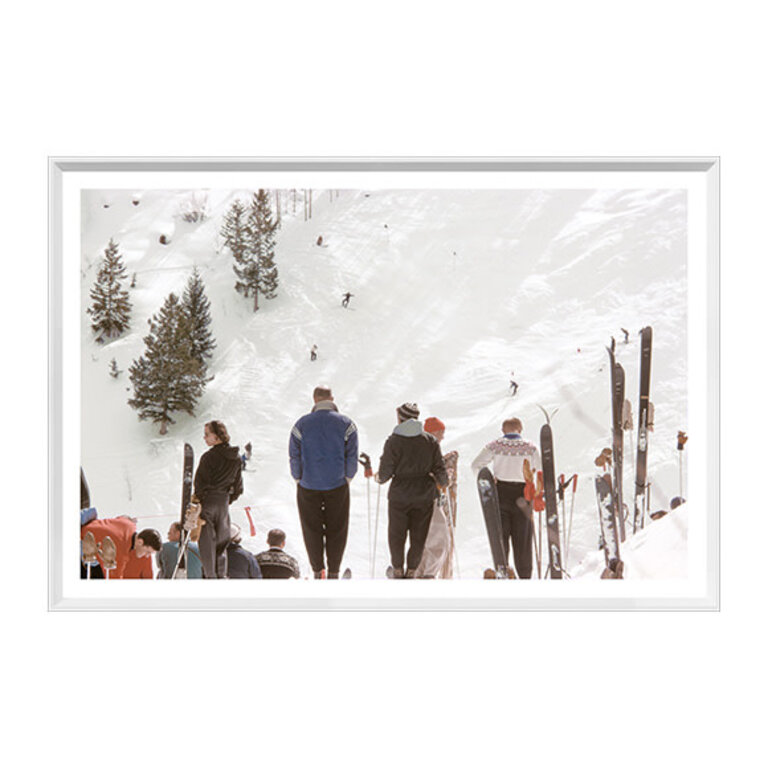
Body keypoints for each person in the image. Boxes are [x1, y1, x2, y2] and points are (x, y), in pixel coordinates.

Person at [289, 386, 358, 578]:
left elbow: (294, 455)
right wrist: (347, 477)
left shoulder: (301, 424)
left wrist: (298, 477)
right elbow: (352, 455)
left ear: (314, 399)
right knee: (337, 529)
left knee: (311, 529)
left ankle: (317, 570)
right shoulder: (347, 424)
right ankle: (334, 571)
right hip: (337, 484)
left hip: (308, 485)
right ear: (332, 399)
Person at [376, 403, 448, 578]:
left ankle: (398, 569)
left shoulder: (393, 441)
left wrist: (379, 478)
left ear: (401, 418)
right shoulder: (430, 441)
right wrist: (444, 481)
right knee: (419, 536)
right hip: (424, 494)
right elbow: (439, 469)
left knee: (396, 534)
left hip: (399, 494)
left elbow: (385, 473)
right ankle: (412, 571)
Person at [471, 417, 540, 579]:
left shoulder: (495, 445)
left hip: (500, 493)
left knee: (501, 537)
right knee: (523, 538)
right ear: (520, 429)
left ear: (503, 430)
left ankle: (503, 572)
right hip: (523, 494)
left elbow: (476, 465)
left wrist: (489, 480)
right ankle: (525, 576)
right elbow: (540, 469)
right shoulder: (530, 447)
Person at [194, 420, 244, 578]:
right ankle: (221, 576)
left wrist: (199, 500)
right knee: (222, 543)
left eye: (207, 434)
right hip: (223, 502)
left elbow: (199, 483)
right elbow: (239, 487)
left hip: (208, 502)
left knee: (207, 543)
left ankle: (210, 578)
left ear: (216, 436)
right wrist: (228, 500)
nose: (204, 438)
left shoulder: (208, 457)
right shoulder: (236, 458)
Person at [414, 417, 458, 578]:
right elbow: (438, 476)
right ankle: (428, 574)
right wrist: (449, 474)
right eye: (441, 432)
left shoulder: (418, 448)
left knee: (423, 539)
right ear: (434, 432)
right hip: (431, 499)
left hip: (416, 500)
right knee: (439, 539)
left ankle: (418, 572)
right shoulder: (430, 450)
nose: (443, 436)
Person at [80, 516, 162, 579]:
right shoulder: (120, 552)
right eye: (147, 552)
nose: (147, 556)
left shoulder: (130, 524)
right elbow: (114, 579)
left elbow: (121, 518)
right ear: (140, 542)